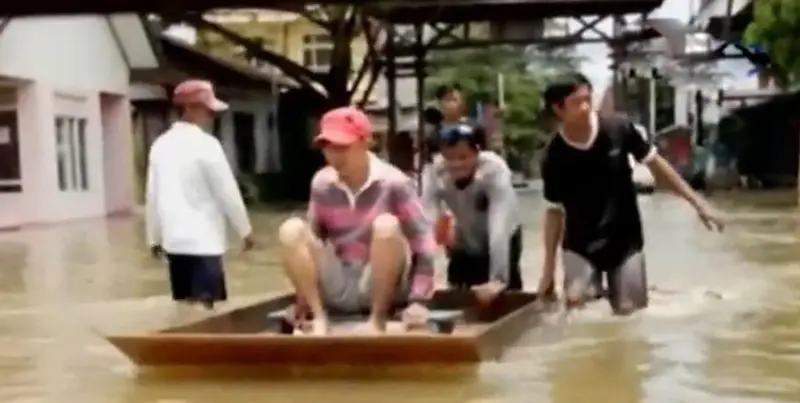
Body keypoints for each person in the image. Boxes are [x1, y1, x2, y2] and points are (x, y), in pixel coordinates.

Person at [537, 73, 724, 316]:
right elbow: (554, 211)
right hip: (580, 245)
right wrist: (548, 270)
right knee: (576, 309)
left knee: (631, 314)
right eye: (577, 102)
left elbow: (658, 166)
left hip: (624, 241)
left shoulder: (619, 128)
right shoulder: (553, 156)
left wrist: (699, 204)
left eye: (588, 99)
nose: (586, 107)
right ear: (558, 109)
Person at [277, 106, 437, 335]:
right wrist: (302, 299)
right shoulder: (321, 184)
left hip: (380, 283)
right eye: (328, 147)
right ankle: (319, 316)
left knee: (386, 226)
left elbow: (424, 242)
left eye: (343, 147)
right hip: (339, 282)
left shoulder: (395, 183)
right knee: (291, 229)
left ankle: (377, 320)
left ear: (365, 142)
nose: (335, 156)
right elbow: (312, 240)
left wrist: (418, 300)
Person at [145, 79, 254, 312]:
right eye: (208, 110)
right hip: (205, 244)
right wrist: (244, 230)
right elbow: (227, 192)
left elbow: (152, 196)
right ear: (189, 108)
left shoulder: (159, 146)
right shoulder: (208, 145)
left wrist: (153, 238)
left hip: (174, 244)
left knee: (184, 310)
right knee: (208, 312)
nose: (211, 116)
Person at [421, 122, 522, 303]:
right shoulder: (434, 172)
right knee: (461, 296)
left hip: (504, 236)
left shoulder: (494, 170)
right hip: (465, 237)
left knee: (505, 296)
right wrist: (421, 288)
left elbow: (499, 227)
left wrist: (498, 280)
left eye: (463, 157)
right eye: (449, 157)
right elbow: (425, 223)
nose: (456, 164)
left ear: (477, 152)